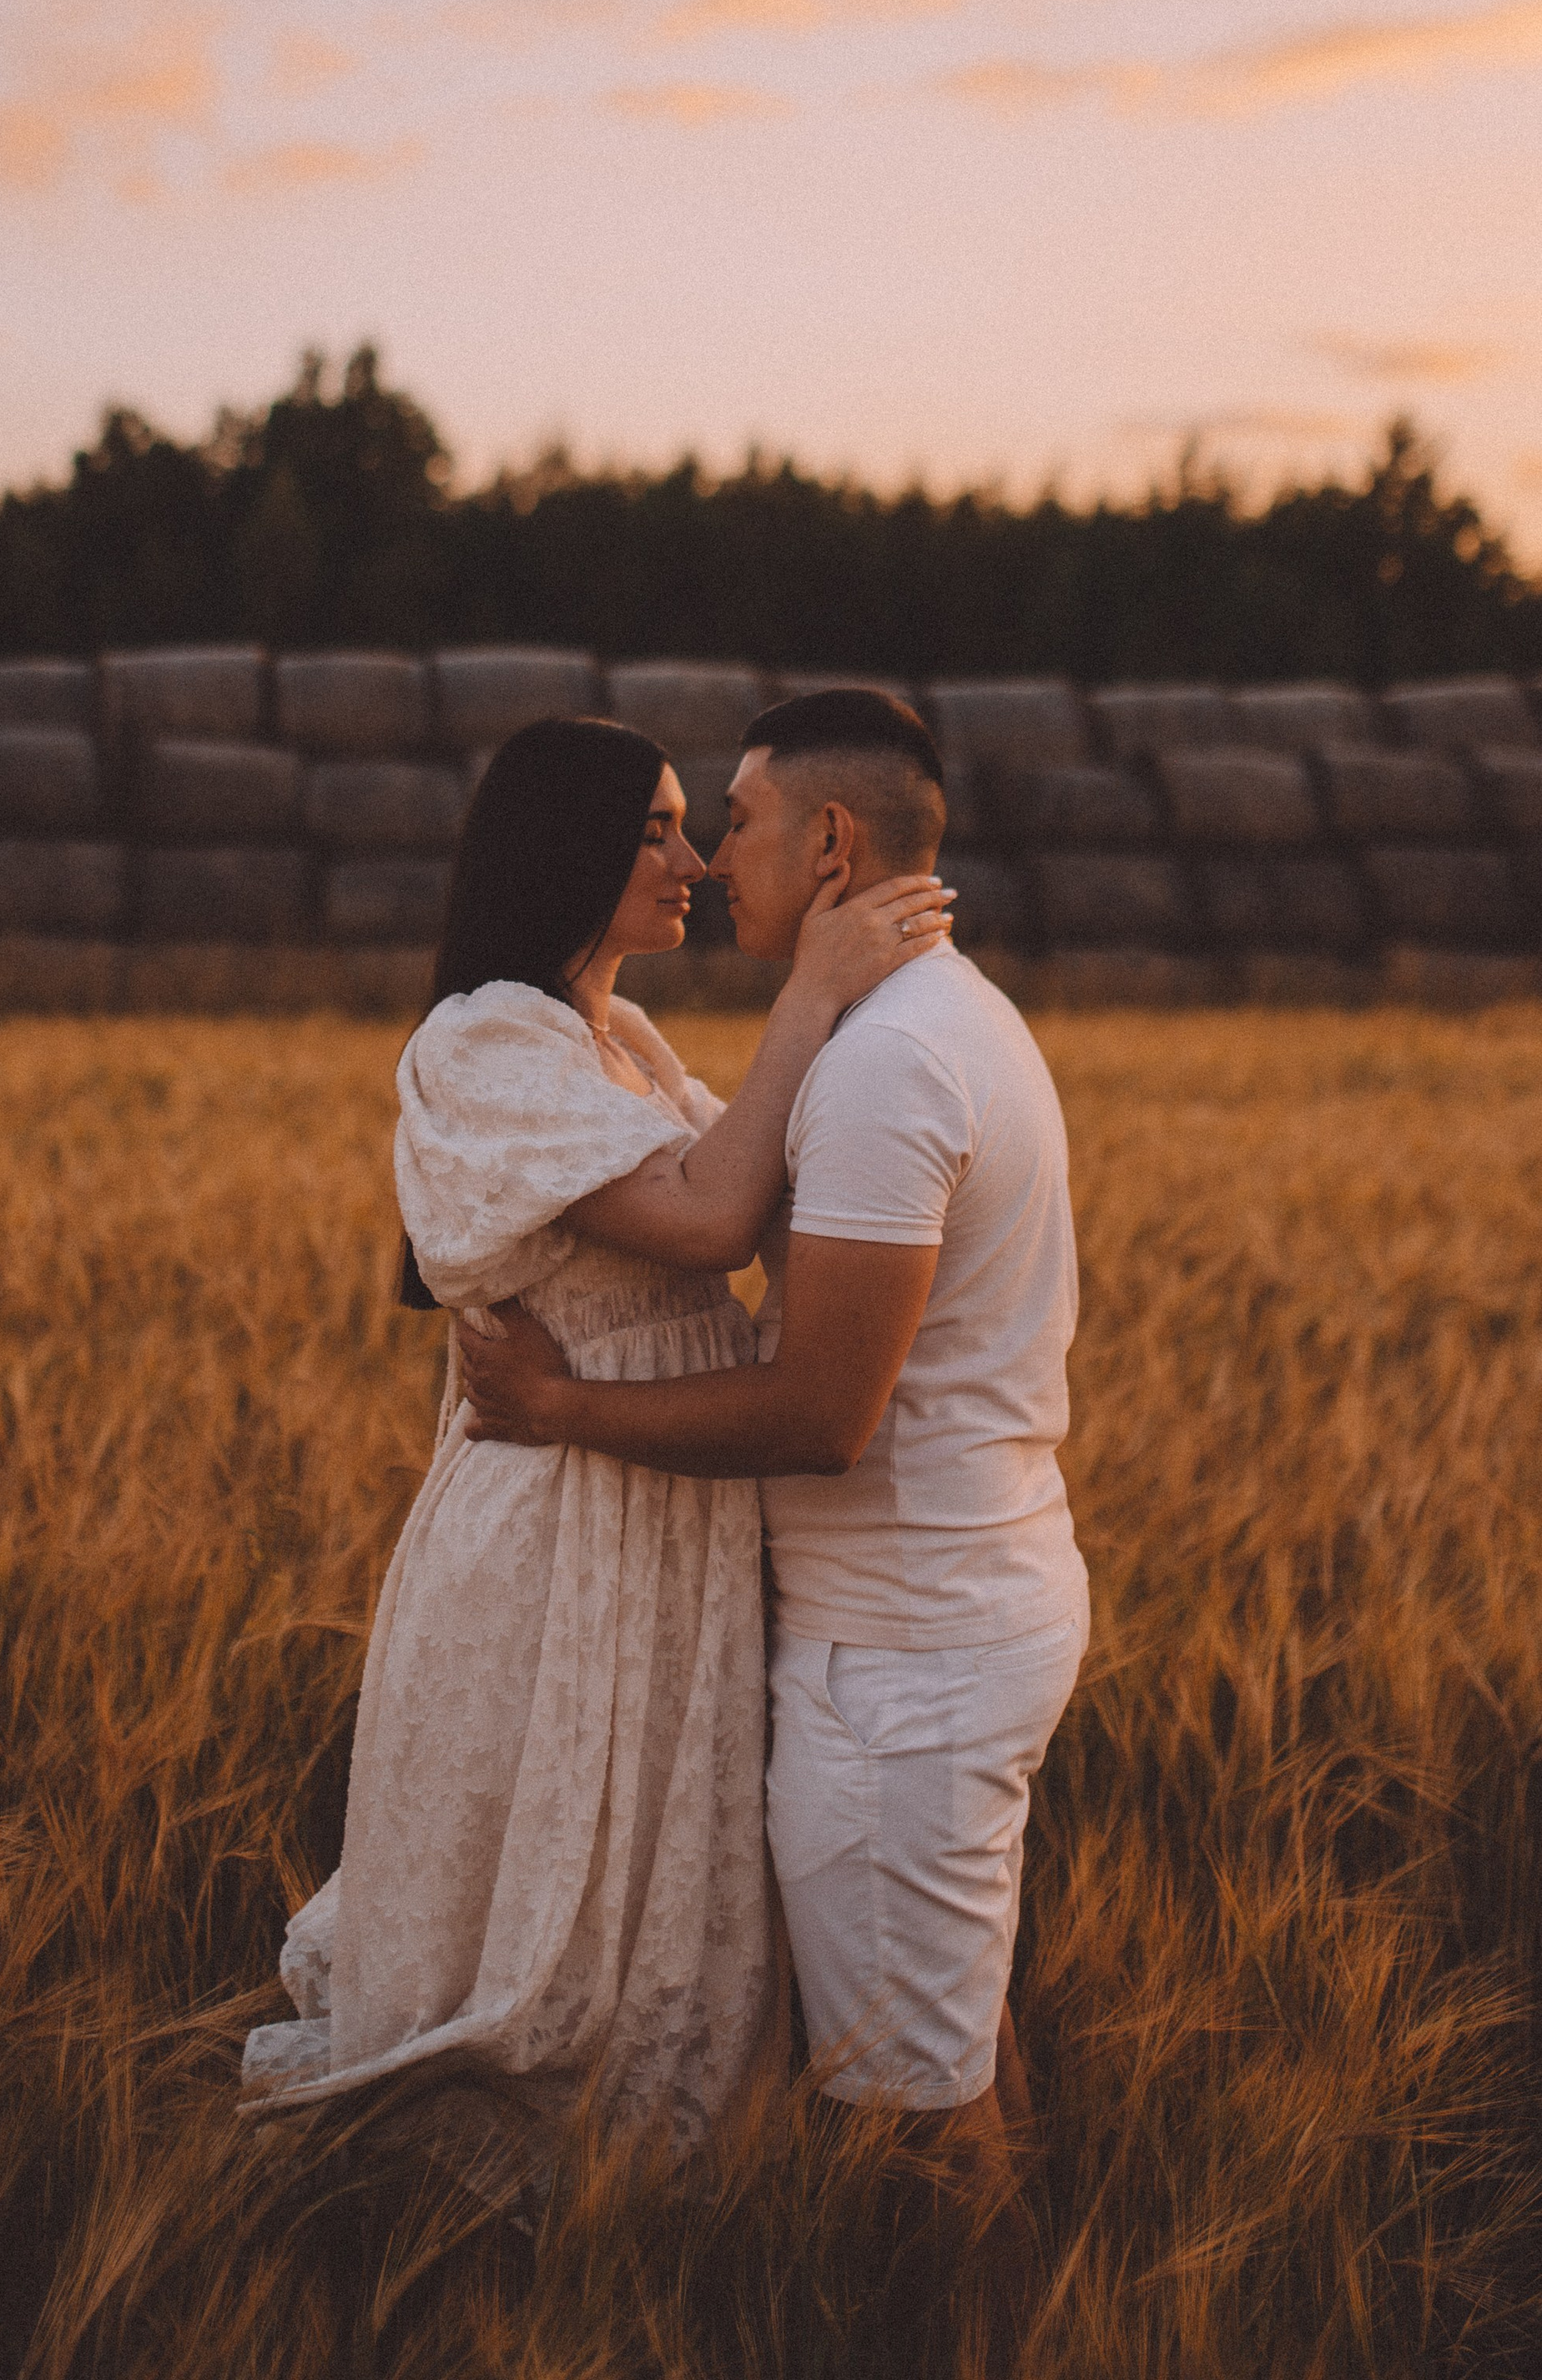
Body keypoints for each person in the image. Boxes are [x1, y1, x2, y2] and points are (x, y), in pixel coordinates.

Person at [240, 712, 951, 2181]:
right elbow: (705, 1218)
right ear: (561, 848)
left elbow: (748, 1199)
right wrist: (812, 996)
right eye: (652, 832)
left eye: (695, 826)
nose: (693, 861)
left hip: (658, 1510)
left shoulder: (616, 1037)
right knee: (534, 1881)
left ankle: (639, 2206)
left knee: (648, 1868)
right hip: (557, 1524)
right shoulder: (484, 1036)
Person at [457, 688, 1087, 2319]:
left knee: (919, 2126)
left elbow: (820, 1413)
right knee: (959, 2055)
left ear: (825, 841)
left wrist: (564, 1409)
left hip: (901, 1665)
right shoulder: (942, 1018)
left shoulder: (887, 1064)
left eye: (727, 818)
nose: (710, 855)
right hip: (953, 1618)